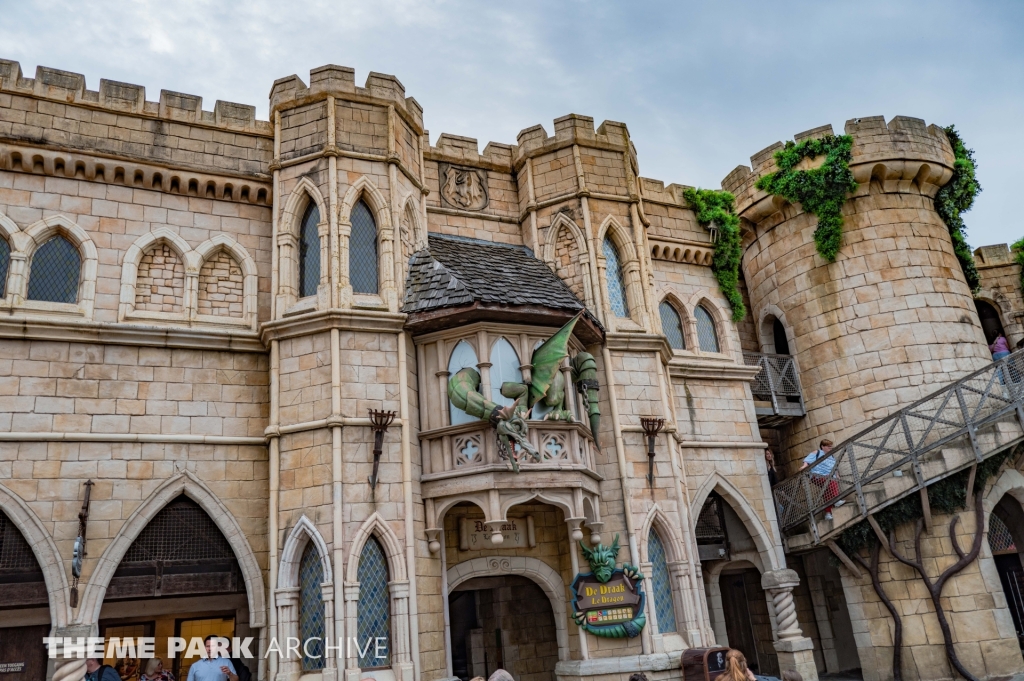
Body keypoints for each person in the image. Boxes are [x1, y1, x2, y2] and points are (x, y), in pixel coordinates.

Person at [799, 438, 844, 521]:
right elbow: (807, 460)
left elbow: (834, 467)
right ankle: (836, 500)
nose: (830, 448)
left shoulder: (831, 456)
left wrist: (837, 475)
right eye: (828, 446)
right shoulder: (817, 452)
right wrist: (804, 466)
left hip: (829, 476)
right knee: (831, 481)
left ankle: (828, 513)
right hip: (818, 476)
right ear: (822, 446)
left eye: (831, 446)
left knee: (827, 492)